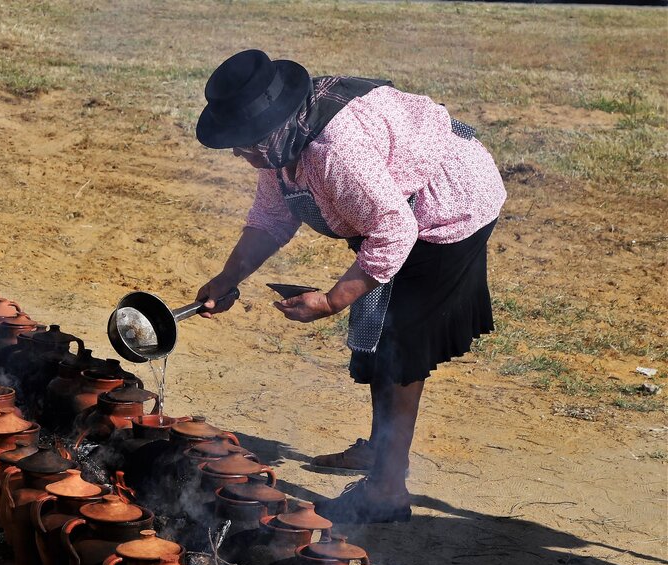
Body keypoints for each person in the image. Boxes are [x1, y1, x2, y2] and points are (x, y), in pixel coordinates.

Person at [194, 50, 506, 523]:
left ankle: (386, 489)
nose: (238, 152)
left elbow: (394, 229)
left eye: (242, 142)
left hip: (447, 206)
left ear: (269, 128)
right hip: (398, 211)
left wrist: (333, 300)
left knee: (399, 348)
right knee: (379, 332)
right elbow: (271, 218)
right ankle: (383, 447)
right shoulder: (280, 144)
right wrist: (226, 279)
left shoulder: (333, 152)